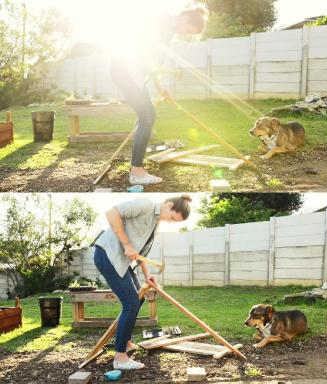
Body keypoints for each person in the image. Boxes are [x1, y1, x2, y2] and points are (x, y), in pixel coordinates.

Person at [110, 7, 208, 185]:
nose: (183, 34)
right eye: (187, 30)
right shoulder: (160, 20)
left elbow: (152, 65)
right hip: (126, 71)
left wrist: (160, 88)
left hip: (134, 75)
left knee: (146, 116)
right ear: (184, 17)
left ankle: (135, 165)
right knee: (147, 116)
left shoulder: (169, 33)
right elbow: (141, 51)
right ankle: (136, 172)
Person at [93, 195, 192, 370]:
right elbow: (111, 213)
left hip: (121, 261)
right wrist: (127, 244)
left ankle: (125, 341)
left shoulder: (155, 223)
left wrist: (147, 276)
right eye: (172, 218)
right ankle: (120, 358)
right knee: (130, 303)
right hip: (107, 256)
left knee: (139, 298)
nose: (170, 222)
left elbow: (139, 254)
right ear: (169, 205)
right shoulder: (145, 205)